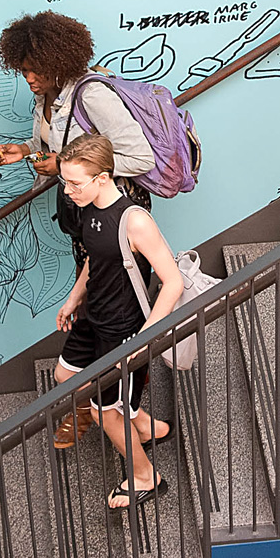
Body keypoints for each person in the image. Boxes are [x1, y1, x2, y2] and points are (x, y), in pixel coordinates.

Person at [0, 11, 156, 447]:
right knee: (94, 301)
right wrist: (25, 152)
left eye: (35, 69)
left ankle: (99, 405)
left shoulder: (93, 94)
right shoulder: (45, 98)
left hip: (117, 219)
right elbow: (53, 148)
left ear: (58, 60)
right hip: (82, 221)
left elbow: (141, 158)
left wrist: (72, 167)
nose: (28, 77)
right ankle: (128, 415)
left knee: (117, 312)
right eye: (23, 68)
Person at [54, 134, 183, 510]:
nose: (67, 190)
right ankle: (142, 425)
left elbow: (172, 280)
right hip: (94, 316)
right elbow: (96, 258)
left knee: (104, 414)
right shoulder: (89, 208)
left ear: (103, 176)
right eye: (65, 181)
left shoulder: (134, 221)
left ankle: (145, 477)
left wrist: (145, 338)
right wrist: (75, 297)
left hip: (125, 330)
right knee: (65, 377)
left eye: (75, 183)